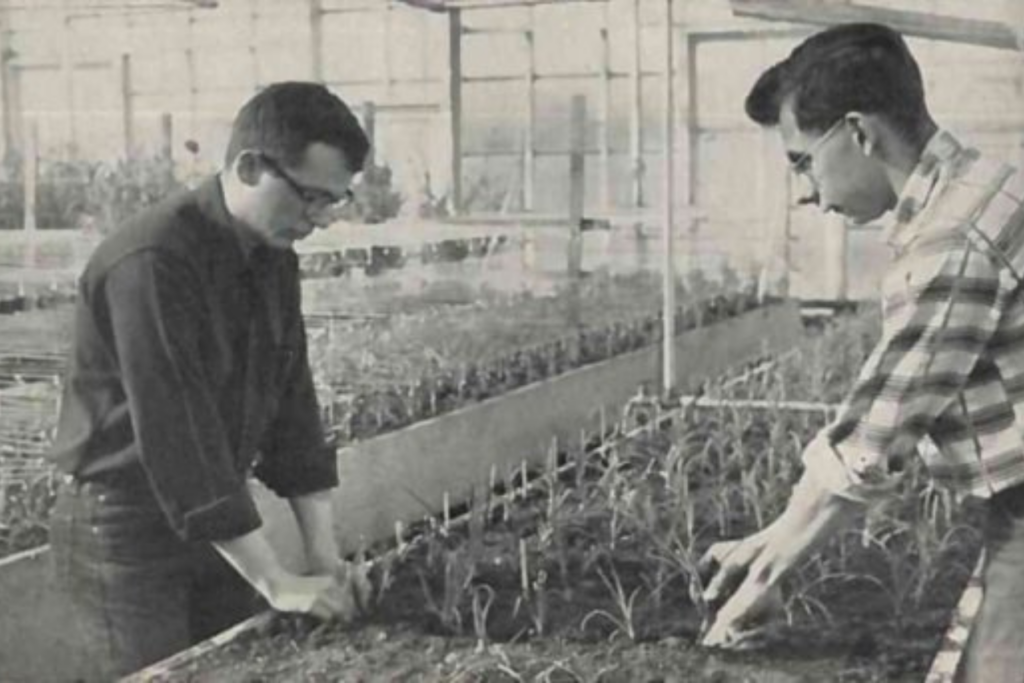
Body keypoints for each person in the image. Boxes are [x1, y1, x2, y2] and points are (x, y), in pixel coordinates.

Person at [697, 23, 1024, 683]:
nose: (805, 191)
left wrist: (769, 570)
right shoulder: (988, 183)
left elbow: (880, 433)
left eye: (801, 160)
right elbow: (878, 414)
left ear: (859, 133)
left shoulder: (951, 240)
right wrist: (774, 536)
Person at [47, 82, 371, 680]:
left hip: (216, 513)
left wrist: (322, 554)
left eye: (335, 201)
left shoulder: (273, 257)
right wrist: (273, 577)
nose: (320, 219)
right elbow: (178, 434)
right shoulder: (152, 261)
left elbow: (293, 406)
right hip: (125, 528)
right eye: (309, 198)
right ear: (250, 166)